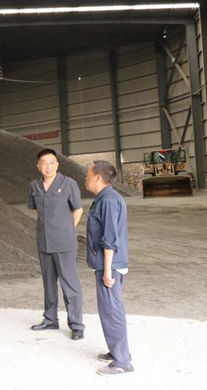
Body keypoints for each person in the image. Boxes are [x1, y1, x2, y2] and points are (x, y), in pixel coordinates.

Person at [27, 148, 85, 340]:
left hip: (65, 243)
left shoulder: (69, 184)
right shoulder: (34, 186)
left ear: (57, 165)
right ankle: (50, 319)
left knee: (70, 284)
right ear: (38, 166)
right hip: (44, 242)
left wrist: (66, 230)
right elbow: (38, 211)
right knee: (49, 283)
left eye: (52, 163)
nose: (48, 167)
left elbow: (78, 210)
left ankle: (76, 325)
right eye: (44, 163)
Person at [85, 160, 134, 376]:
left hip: (110, 265)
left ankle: (122, 362)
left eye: (88, 175)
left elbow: (110, 238)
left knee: (112, 311)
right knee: (109, 309)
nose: (85, 178)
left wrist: (107, 270)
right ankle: (117, 351)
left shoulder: (108, 200)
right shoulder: (105, 198)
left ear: (97, 177)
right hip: (108, 263)